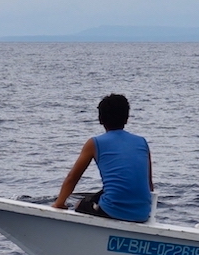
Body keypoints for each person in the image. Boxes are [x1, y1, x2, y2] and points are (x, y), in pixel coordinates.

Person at [52, 94, 154, 222]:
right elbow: (149, 185)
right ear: (127, 118)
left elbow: (72, 178)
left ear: (100, 119)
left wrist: (59, 204)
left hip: (112, 211)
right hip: (142, 213)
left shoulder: (94, 143)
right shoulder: (142, 142)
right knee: (100, 195)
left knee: (80, 204)